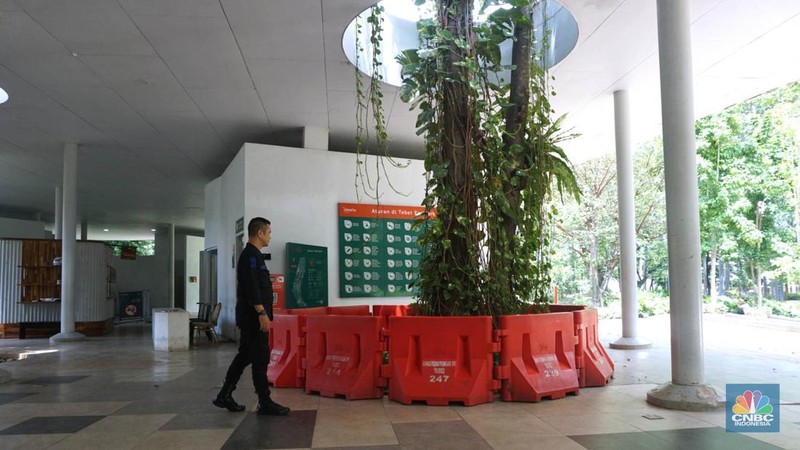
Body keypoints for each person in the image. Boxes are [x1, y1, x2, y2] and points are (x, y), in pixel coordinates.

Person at [213, 217, 290, 416]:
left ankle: (224, 395)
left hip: (252, 317)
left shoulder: (254, 255)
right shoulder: (250, 256)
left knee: (245, 356)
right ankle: (264, 401)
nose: (270, 237)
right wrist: (262, 313)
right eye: (269, 233)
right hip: (254, 318)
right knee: (260, 358)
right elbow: (252, 288)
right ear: (260, 233)